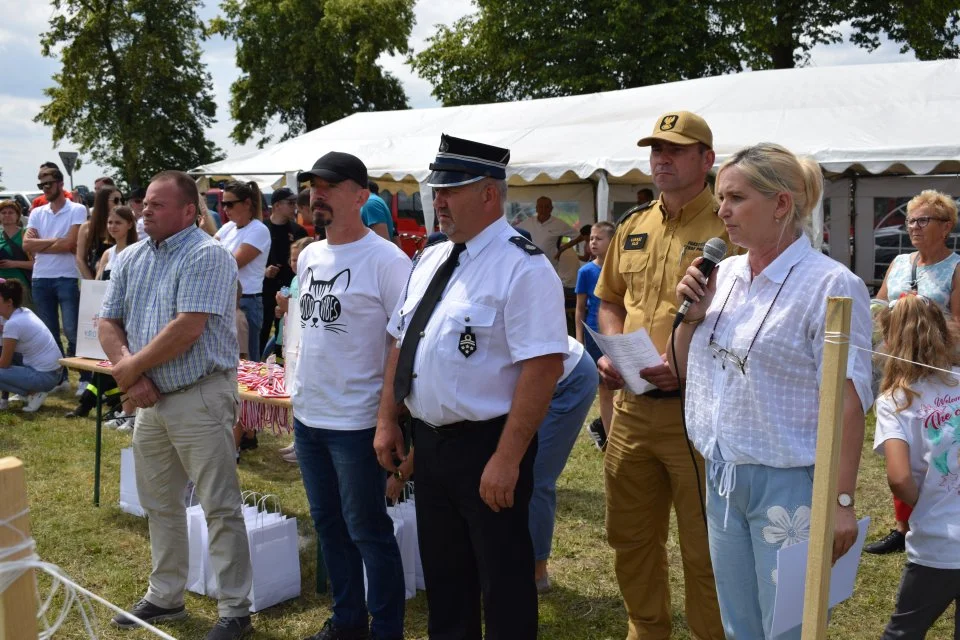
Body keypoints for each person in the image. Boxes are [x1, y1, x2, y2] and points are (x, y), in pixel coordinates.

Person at [667, 142, 873, 639]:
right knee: (739, 625)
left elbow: (848, 403)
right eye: (721, 198)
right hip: (723, 476)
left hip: (790, 482)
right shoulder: (727, 275)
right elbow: (679, 366)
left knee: (788, 628)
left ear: (781, 204)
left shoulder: (831, 286)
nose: (722, 211)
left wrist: (841, 501)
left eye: (736, 198)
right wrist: (691, 318)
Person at [374, 134, 568, 639]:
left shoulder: (523, 267)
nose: (438, 201)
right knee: (446, 579)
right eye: (436, 188)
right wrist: (388, 418)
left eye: (451, 189)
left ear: (488, 194)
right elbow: (402, 339)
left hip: (489, 444)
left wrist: (506, 459)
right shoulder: (433, 257)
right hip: (432, 444)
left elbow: (542, 368)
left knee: (503, 583)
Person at [99, 170, 253, 640]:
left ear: (190, 211)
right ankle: (166, 596)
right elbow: (107, 323)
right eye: (145, 203)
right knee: (159, 502)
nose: (145, 211)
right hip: (152, 399)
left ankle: (235, 611)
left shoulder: (208, 255)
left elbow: (187, 328)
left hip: (200, 394)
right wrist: (135, 373)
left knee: (218, 505)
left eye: (157, 205)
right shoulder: (131, 257)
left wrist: (129, 371)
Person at [594, 110, 726, 640]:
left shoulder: (729, 226)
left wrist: (688, 369)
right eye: (656, 150)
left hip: (696, 414)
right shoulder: (633, 224)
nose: (661, 159)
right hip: (630, 410)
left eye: (675, 149)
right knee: (629, 537)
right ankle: (647, 630)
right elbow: (609, 299)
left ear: (706, 159)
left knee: (705, 548)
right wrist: (609, 350)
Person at [292, 152, 410, 640]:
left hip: (357, 422)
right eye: (313, 185)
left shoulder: (387, 260)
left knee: (369, 531)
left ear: (362, 195)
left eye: (329, 185)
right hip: (309, 416)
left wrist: (388, 420)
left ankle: (385, 630)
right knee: (328, 526)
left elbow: (402, 344)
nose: (317, 193)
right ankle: (347, 622)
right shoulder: (311, 256)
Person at [866, 189, 960, 555]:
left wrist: (919, 324)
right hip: (897, 366)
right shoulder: (900, 262)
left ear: (946, 226)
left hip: (938, 369)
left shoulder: (956, 267)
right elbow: (878, 302)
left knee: (934, 446)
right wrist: (884, 315)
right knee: (899, 444)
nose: (915, 227)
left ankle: (936, 514)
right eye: (911, 220)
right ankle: (903, 526)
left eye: (924, 220)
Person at [871, 294, 960, 639]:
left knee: (902, 633)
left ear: (890, 342)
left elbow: (899, 478)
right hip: (941, 541)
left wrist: (925, 504)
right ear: (943, 332)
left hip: (937, 545)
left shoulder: (895, 401)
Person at [66, 206, 139, 421]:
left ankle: (92, 404)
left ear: (130, 225)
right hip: (109, 316)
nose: (112, 226)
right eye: (110, 222)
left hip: (127, 317)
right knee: (105, 364)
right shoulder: (108, 253)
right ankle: (111, 405)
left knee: (116, 363)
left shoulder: (136, 251)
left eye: (118, 222)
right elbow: (98, 283)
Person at [23, 166, 86, 394]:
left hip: (67, 277)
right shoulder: (37, 212)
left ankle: (83, 378)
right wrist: (55, 242)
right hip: (41, 278)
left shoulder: (77, 209)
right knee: (50, 332)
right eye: (41, 184)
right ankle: (60, 378)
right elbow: (26, 245)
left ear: (60, 183)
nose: (44, 188)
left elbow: (71, 244)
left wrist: (42, 244)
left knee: (71, 330)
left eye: (47, 183)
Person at [214, 180, 272, 361]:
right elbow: (209, 254)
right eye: (223, 204)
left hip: (247, 302)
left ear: (247, 203)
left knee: (248, 364)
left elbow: (232, 263)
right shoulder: (228, 227)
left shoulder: (259, 230)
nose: (225, 209)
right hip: (225, 301)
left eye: (230, 204)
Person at [274, 235, 315, 463]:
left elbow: (302, 313)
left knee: (300, 392)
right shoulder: (294, 280)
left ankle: (301, 443)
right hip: (288, 340)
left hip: (303, 345)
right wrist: (281, 310)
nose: (295, 263)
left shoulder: (311, 280)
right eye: (292, 259)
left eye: (298, 259)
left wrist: (286, 307)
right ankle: (297, 440)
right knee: (292, 391)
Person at [575, 220, 614, 450]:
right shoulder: (586, 271)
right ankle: (608, 439)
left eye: (599, 239)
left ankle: (608, 430)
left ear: (612, 241)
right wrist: (579, 338)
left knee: (621, 390)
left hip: (617, 336)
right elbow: (580, 308)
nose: (593, 243)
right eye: (591, 239)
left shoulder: (620, 268)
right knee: (605, 389)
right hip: (594, 335)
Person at [0, 279, 64, 412]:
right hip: (54, 373)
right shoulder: (24, 312)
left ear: (9, 302)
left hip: (45, 377)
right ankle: (30, 393)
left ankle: (35, 392)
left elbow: (4, 363)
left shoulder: (13, 324)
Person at [260, 186, 306, 356]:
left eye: (295, 202)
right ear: (277, 205)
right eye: (291, 203)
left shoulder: (297, 231)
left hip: (290, 288)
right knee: (263, 331)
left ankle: (282, 360)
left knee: (286, 331)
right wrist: (264, 271)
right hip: (267, 290)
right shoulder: (263, 229)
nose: (295, 206)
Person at [77, 185, 121, 280]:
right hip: (94, 278)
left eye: (122, 200)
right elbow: (80, 259)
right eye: (116, 200)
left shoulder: (124, 225)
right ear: (103, 202)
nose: (120, 204)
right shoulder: (87, 227)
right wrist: (92, 283)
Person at [0, 200, 34, 302]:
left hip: (22, 286)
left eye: (11, 212)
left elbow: (38, 263)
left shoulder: (26, 235)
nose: (7, 215)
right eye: (3, 213)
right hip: (1, 287)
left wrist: (14, 264)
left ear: (18, 216)